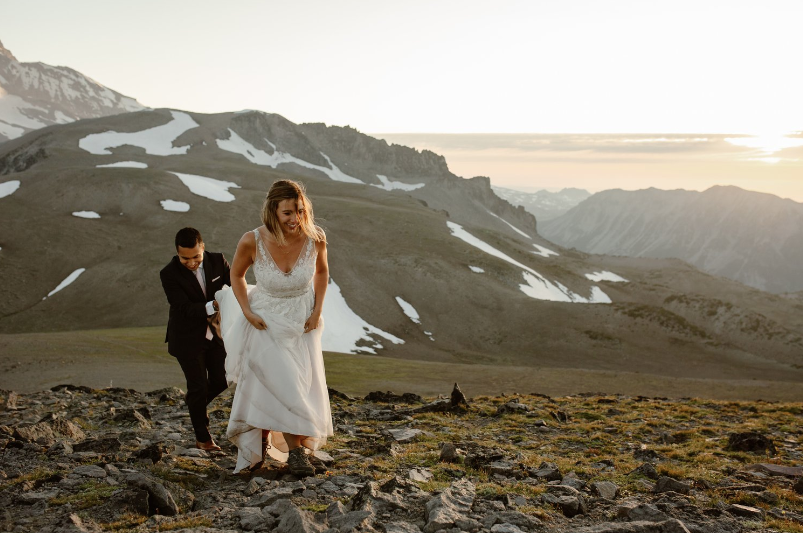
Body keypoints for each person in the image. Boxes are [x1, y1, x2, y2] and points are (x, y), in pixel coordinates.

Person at [216, 179, 333, 475]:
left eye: (300, 211)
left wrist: (317, 310)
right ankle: (295, 454)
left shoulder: (316, 238)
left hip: (302, 320)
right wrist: (246, 310)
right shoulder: (251, 240)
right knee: (282, 382)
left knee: (301, 386)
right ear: (272, 211)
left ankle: (293, 447)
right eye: (288, 213)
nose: (296, 219)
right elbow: (237, 275)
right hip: (265, 320)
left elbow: (321, 272)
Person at [159, 227, 231, 451]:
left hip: (216, 335)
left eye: (196, 257)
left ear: (203, 247)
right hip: (186, 338)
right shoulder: (168, 273)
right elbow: (183, 307)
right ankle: (203, 439)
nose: (191, 263)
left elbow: (232, 286)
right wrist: (214, 305)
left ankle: (194, 403)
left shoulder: (218, 261)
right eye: (185, 258)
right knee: (198, 386)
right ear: (177, 253)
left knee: (222, 380)